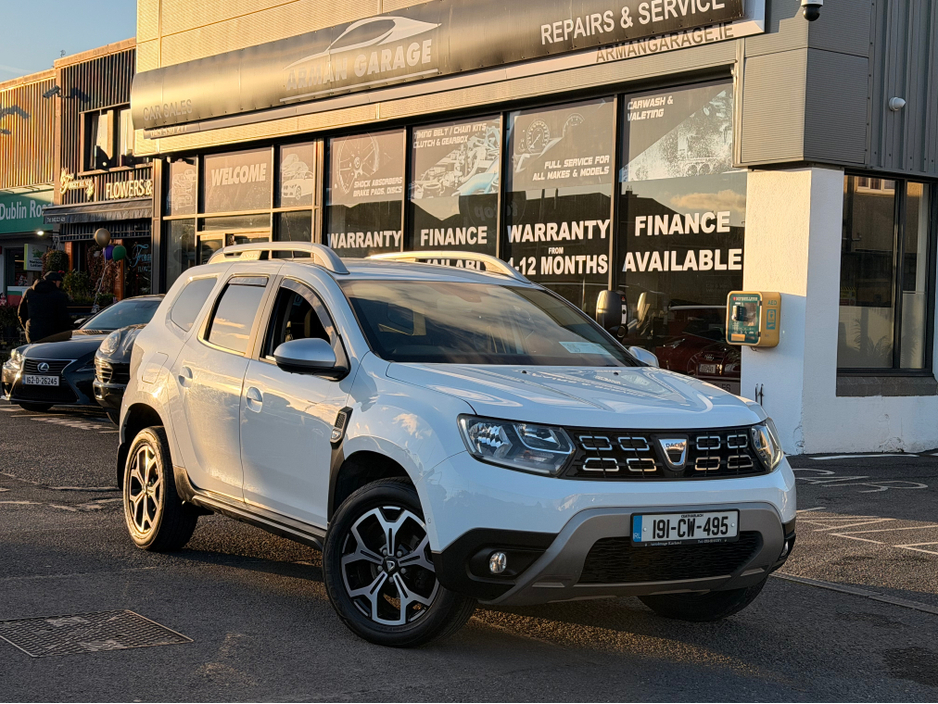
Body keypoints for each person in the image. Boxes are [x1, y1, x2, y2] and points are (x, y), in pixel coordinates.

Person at [17, 271, 72, 343]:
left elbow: (21, 313)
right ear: (54, 281)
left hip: (33, 333)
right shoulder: (58, 295)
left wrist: (28, 327)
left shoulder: (29, 292)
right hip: (53, 334)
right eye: (59, 282)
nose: (59, 285)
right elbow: (63, 318)